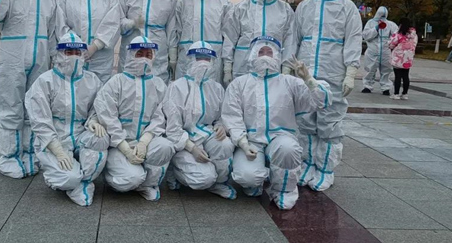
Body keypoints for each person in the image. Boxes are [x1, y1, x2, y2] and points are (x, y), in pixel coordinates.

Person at [0, 0, 67, 179]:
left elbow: (56, 33)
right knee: (9, 105)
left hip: (40, 61)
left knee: (35, 107)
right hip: (12, 59)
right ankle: (9, 157)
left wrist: (58, 61)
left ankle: (30, 155)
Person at [221, 36, 332, 209]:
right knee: (247, 177)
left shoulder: (290, 82)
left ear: (277, 56)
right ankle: (258, 178)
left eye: (269, 52)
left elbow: (321, 102)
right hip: (251, 141)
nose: (265, 56)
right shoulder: (239, 84)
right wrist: (243, 143)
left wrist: (309, 80)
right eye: (261, 52)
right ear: (253, 55)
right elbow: (232, 116)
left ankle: (283, 190)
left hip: (280, 137)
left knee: (288, 150)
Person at [294, 0, 362, 192]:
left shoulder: (347, 7)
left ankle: (325, 169)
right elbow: (295, 38)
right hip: (304, 74)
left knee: (329, 124)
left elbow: (353, 40)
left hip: (333, 73)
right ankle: (307, 164)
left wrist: (351, 71)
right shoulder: (305, 7)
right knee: (305, 122)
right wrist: (288, 67)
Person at [24, 32, 109, 206]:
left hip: (81, 133)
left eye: (78, 52)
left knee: (101, 139)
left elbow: (99, 106)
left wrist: (94, 120)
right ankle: (68, 179)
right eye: (69, 52)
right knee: (68, 178)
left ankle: (85, 181)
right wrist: (57, 150)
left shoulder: (92, 80)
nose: (74, 56)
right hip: (56, 138)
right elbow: (40, 120)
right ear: (60, 54)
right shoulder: (45, 81)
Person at [95, 36, 176, 201]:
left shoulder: (158, 84)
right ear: (131, 55)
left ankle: (148, 184)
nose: (144, 59)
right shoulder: (116, 82)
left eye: (148, 55)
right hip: (119, 144)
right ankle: (117, 175)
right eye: (140, 54)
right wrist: (124, 147)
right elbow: (108, 117)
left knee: (165, 146)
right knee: (130, 178)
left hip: (146, 141)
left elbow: (160, 117)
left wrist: (144, 141)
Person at [164, 41, 237, 199]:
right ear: (190, 59)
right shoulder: (177, 87)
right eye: (199, 58)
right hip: (184, 142)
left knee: (225, 145)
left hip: (207, 135)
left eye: (207, 59)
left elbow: (222, 116)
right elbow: (173, 128)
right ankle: (175, 171)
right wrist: (192, 148)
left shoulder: (216, 88)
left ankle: (220, 183)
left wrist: (221, 126)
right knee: (203, 179)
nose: (203, 62)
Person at [223, 0, 296, 85]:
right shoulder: (241, 8)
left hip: (273, 64)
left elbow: (290, 40)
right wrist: (227, 67)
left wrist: (286, 68)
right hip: (243, 65)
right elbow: (229, 38)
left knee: (271, 94)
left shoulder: (285, 9)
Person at [57, 0, 121, 83]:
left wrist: (95, 46)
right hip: (72, 55)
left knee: (100, 90)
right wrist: (75, 45)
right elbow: (60, 25)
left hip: (101, 59)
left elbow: (112, 24)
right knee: (71, 90)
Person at [118, 0, 177, 83]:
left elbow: (172, 28)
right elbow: (116, 23)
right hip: (132, 47)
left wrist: (173, 56)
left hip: (158, 51)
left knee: (157, 86)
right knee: (128, 85)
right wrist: (132, 23)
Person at [172, 0, 232, 83]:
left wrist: (227, 66)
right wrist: (172, 56)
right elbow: (175, 31)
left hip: (213, 57)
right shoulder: (183, 1)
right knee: (184, 90)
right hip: (187, 57)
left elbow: (229, 36)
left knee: (211, 91)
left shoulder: (223, 2)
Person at [362, 6, 399, 95]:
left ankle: (386, 88)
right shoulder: (371, 23)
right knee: (370, 69)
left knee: (386, 70)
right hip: (373, 51)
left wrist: (390, 43)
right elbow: (366, 35)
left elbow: (396, 36)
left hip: (385, 51)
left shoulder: (390, 24)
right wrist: (376, 28)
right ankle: (367, 86)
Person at [389, 18, 418, 100]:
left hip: (398, 57)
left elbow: (392, 43)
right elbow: (414, 44)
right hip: (408, 57)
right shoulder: (414, 35)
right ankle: (405, 94)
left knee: (397, 76)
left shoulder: (399, 33)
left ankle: (396, 94)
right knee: (406, 76)